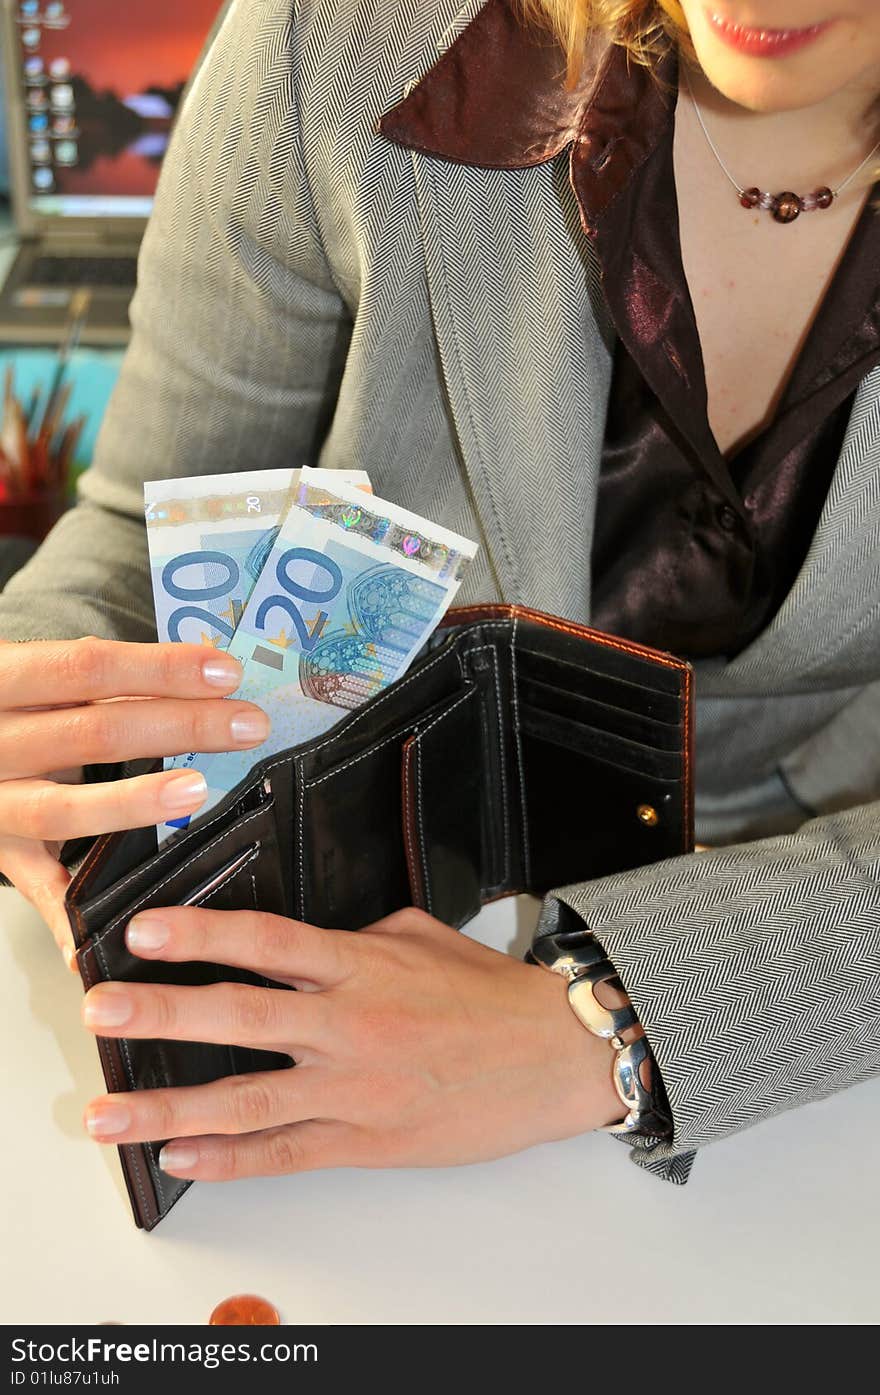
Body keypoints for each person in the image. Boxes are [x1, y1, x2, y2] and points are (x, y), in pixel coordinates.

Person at [0, 0, 878, 1186]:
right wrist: (49, 708)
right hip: (359, 895)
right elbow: (148, 515)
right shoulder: (336, 35)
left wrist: (616, 1028)